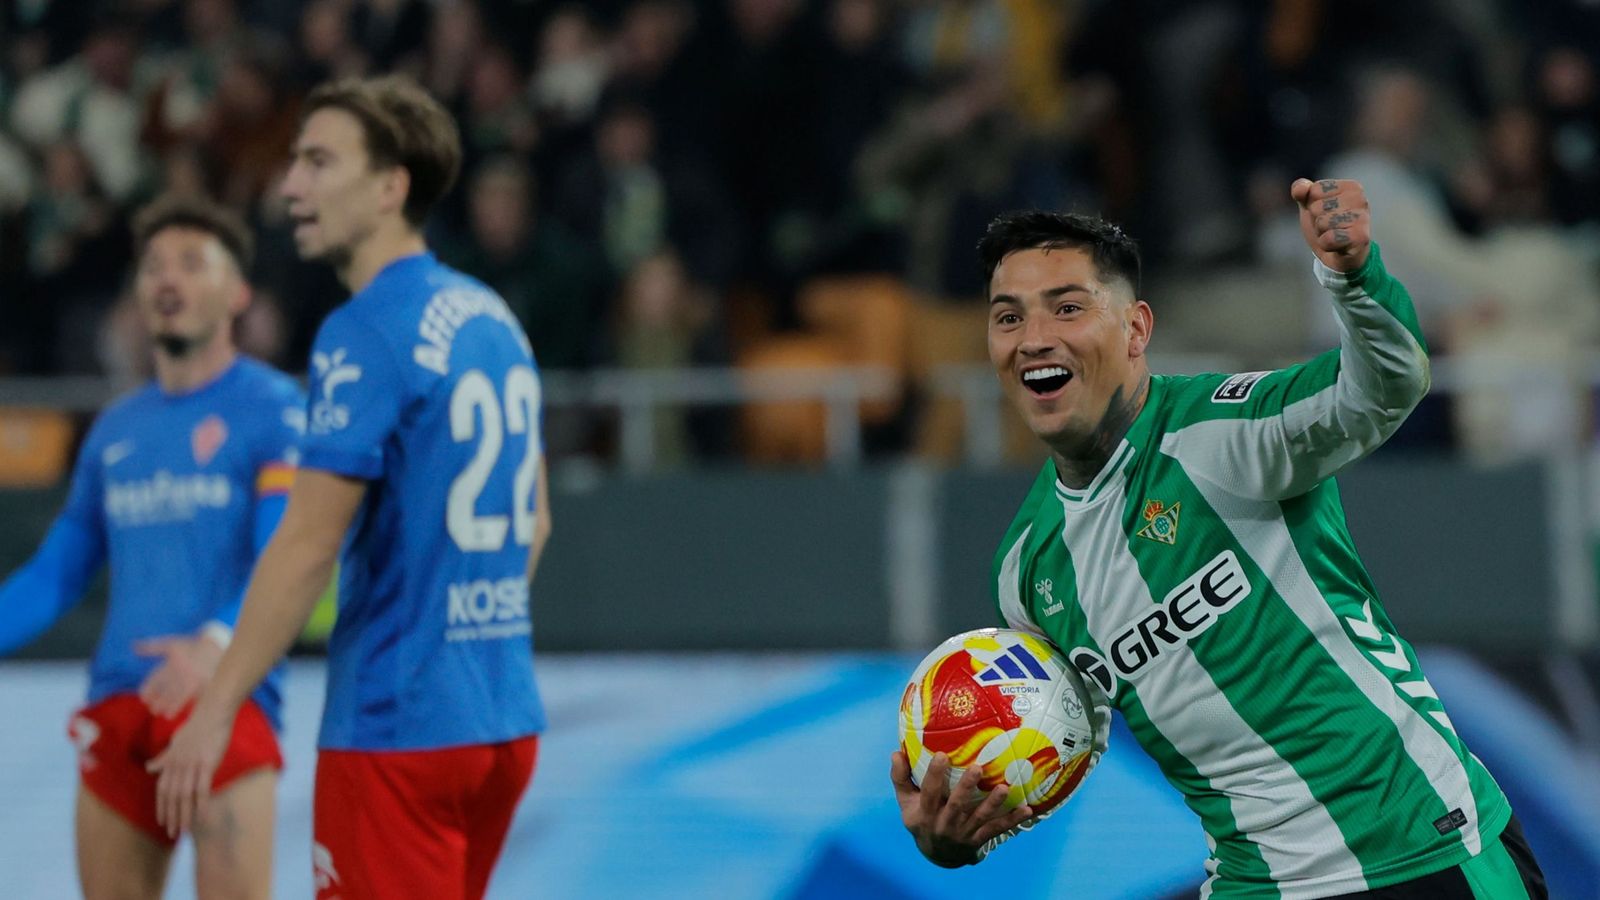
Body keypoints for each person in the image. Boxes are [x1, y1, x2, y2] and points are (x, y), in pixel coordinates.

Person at [889, 179, 1549, 899]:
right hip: (1254, 883)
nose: (1034, 338)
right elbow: (1066, 736)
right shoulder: (1028, 568)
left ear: (1136, 330)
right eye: (1007, 317)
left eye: (1068, 308)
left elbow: (1383, 388)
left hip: (1421, 850)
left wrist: (1354, 280)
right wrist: (966, 831)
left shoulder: (1222, 433)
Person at [150, 75, 552, 900]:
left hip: (398, 732)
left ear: (389, 188)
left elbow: (307, 544)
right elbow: (536, 521)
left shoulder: (364, 331)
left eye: (319, 161)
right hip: (503, 718)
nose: (292, 184)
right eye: (295, 161)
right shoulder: (493, 316)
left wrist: (217, 708)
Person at [0, 192, 302, 899]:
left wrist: (216, 645)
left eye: (193, 264)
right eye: (155, 266)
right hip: (120, 704)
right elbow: (54, 574)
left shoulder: (275, 408)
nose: (169, 279)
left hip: (227, 702)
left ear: (238, 292)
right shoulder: (113, 430)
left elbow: (285, 553)